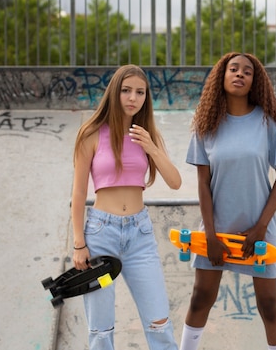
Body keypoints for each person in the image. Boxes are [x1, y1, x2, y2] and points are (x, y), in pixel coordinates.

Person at [179, 52, 276, 350]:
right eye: (233, 69)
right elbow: (203, 183)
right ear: (222, 76)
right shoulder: (205, 125)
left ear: (256, 81)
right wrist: (211, 233)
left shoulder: (268, 122)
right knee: (201, 297)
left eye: (247, 71)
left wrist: (261, 226)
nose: (240, 74)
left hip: (258, 229)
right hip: (216, 229)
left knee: (269, 304)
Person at [70, 64, 182, 350]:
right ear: (114, 92)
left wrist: (152, 147)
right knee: (101, 329)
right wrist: (79, 243)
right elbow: (79, 191)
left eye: (140, 92)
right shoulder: (91, 133)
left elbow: (175, 181)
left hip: (139, 237)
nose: (133, 97)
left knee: (159, 322)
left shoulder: (146, 136)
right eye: (126, 90)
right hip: (100, 235)